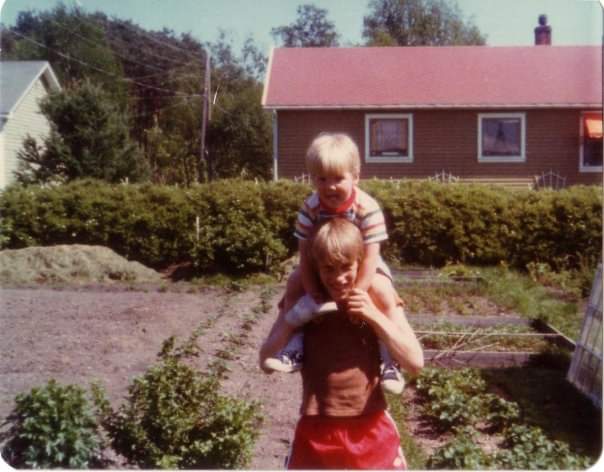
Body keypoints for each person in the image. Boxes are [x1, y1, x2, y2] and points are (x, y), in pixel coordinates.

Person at [259, 218, 424, 469]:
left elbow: (415, 363)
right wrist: (296, 316)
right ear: (316, 269)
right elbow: (265, 361)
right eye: (329, 269)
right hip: (317, 428)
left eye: (346, 267)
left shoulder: (376, 291)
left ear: (361, 262)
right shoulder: (304, 293)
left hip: (370, 427)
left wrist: (372, 314)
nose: (338, 278)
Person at [263, 132, 405, 394]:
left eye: (339, 178)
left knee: (382, 291)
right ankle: (293, 349)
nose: (330, 187)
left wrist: (358, 293)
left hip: (360, 263)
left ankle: (390, 360)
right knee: (294, 283)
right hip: (323, 261)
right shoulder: (311, 207)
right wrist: (310, 286)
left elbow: (372, 256)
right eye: (322, 179)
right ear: (312, 179)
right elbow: (304, 253)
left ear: (355, 176)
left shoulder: (367, 208)